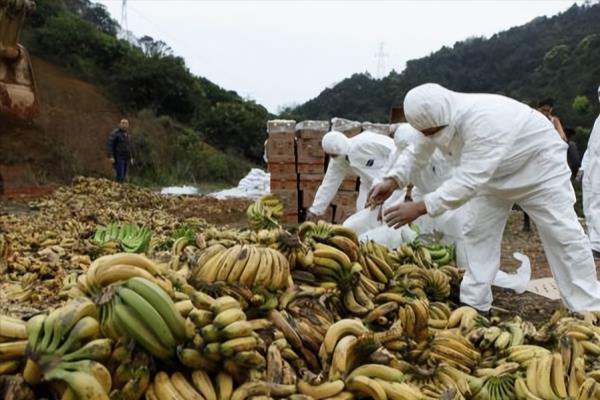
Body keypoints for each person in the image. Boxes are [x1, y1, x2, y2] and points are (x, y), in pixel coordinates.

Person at [368, 83, 600, 312]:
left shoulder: (483, 120)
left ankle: (587, 307)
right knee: (477, 232)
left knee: (562, 234)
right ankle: (475, 303)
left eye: (433, 132)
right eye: (426, 133)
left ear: (445, 119)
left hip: (538, 168)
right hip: (492, 178)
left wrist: (420, 207)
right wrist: (393, 180)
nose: (431, 137)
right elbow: (417, 151)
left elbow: (468, 180)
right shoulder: (433, 118)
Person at [306, 130, 395, 220]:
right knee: (362, 216)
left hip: (391, 182)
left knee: (390, 216)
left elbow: (395, 149)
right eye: (332, 155)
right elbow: (329, 184)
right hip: (368, 185)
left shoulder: (366, 141)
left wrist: (400, 175)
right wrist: (315, 210)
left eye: (335, 155)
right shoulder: (337, 163)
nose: (334, 157)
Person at [581, 85, 600, 256]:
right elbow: (590, 147)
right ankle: (593, 240)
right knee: (590, 204)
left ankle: (598, 244)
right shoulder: (598, 121)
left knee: (598, 205)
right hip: (592, 172)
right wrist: (583, 166)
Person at [106, 119, 135, 183]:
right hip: (119, 157)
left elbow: (130, 147)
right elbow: (110, 144)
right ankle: (117, 188)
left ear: (128, 125)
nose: (124, 125)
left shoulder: (128, 135)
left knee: (124, 176)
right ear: (120, 124)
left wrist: (132, 157)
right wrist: (111, 156)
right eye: (123, 123)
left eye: (126, 124)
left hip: (126, 158)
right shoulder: (115, 133)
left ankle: (121, 189)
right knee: (120, 175)